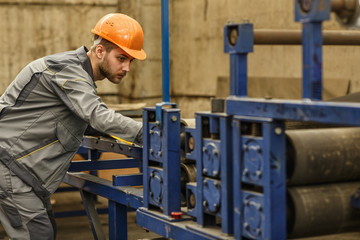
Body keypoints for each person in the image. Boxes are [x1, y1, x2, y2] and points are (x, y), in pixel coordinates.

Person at [0, 13, 146, 239]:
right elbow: (96, 115)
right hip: (10, 168)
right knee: (38, 235)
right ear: (100, 52)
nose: (127, 67)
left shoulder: (78, 75)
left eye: (131, 61)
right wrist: (145, 133)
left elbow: (79, 119)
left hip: (22, 172)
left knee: (44, 231)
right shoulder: (66, 69)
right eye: (121, 58)